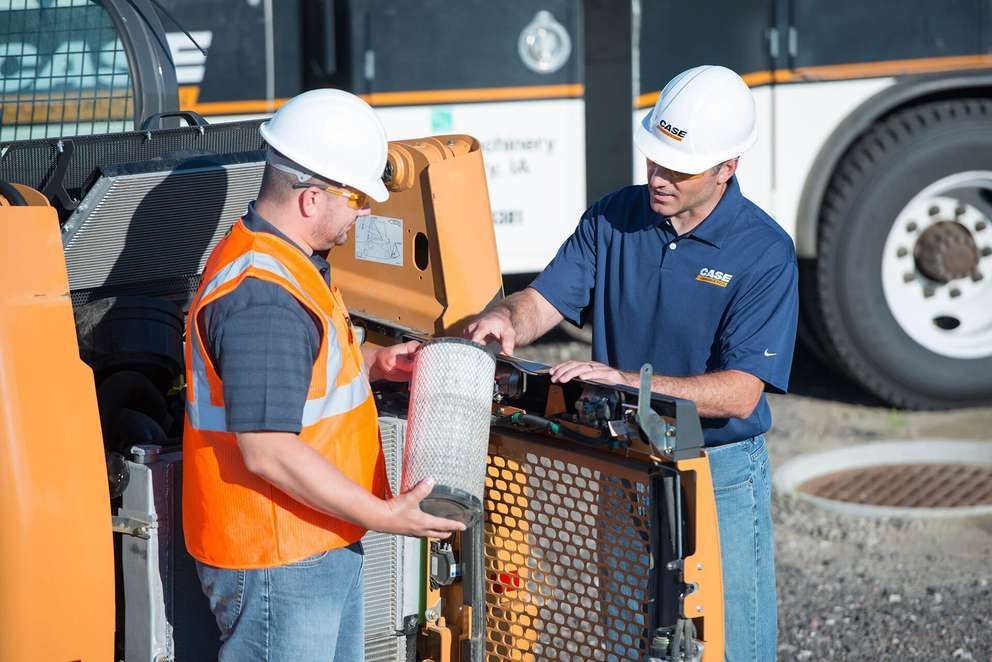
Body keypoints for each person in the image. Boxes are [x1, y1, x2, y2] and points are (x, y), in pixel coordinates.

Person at [466, 65, 798, 661]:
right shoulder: (614, 216)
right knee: (628, 634)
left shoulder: (764, 251)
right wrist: (508, 320)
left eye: (680, 167)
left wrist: (626, 382)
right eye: (654, 158)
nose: (658, 176)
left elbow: (742, 393)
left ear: (728, 168)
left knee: (731, 642)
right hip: (626, 460)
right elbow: (544, 299)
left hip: (716, 470)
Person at [182, 89, 465, 661]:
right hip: (277, 558)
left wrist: (378, 362)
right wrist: (387, 515)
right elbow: (268, 450)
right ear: (312, 199)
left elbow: (300, 377)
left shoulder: (287, 264)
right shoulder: (264, 295)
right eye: (358, 197)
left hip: (310, 542)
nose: (366, 213)